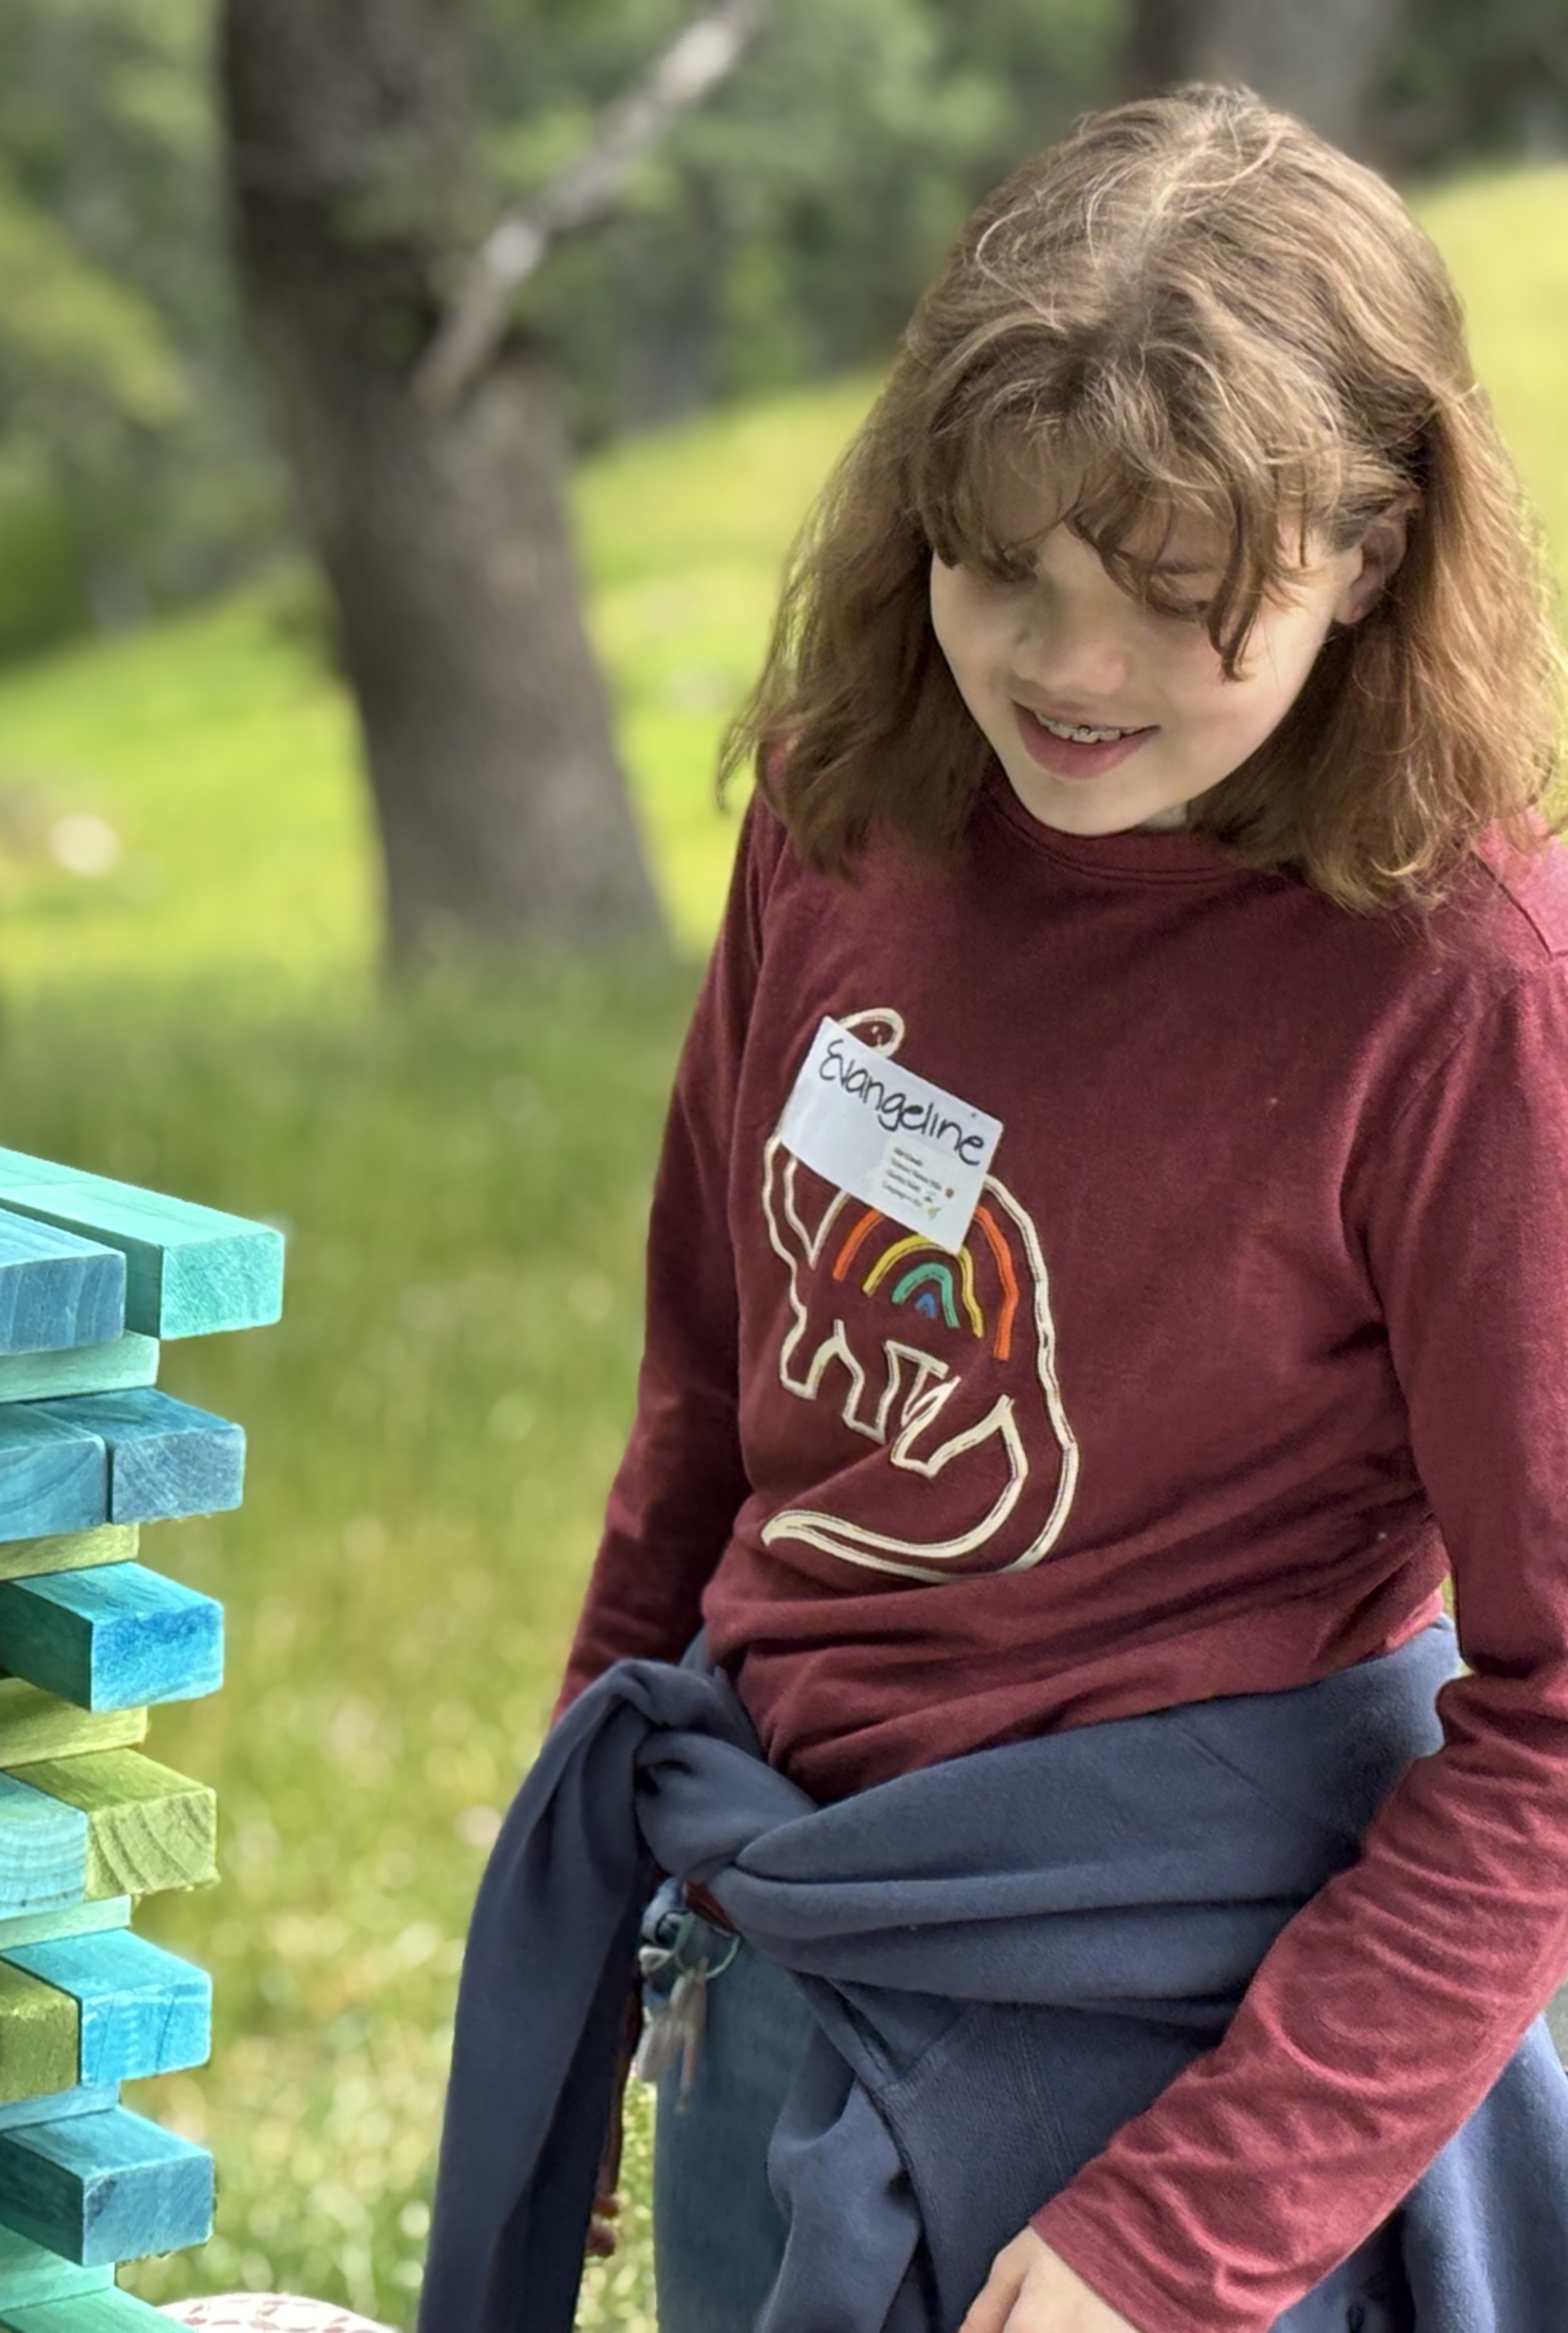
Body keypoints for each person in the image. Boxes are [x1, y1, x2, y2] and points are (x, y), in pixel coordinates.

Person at [417, 86, 1568, 2333]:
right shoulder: (853, 808)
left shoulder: (1465, 990)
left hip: (1179, 2046)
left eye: (1174, 598)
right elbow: (710, 1397)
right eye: (1000, 566)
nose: (1067, 667)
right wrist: (599, 1933)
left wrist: (1188, 2231)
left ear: (1369, 554)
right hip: (777, 1924)